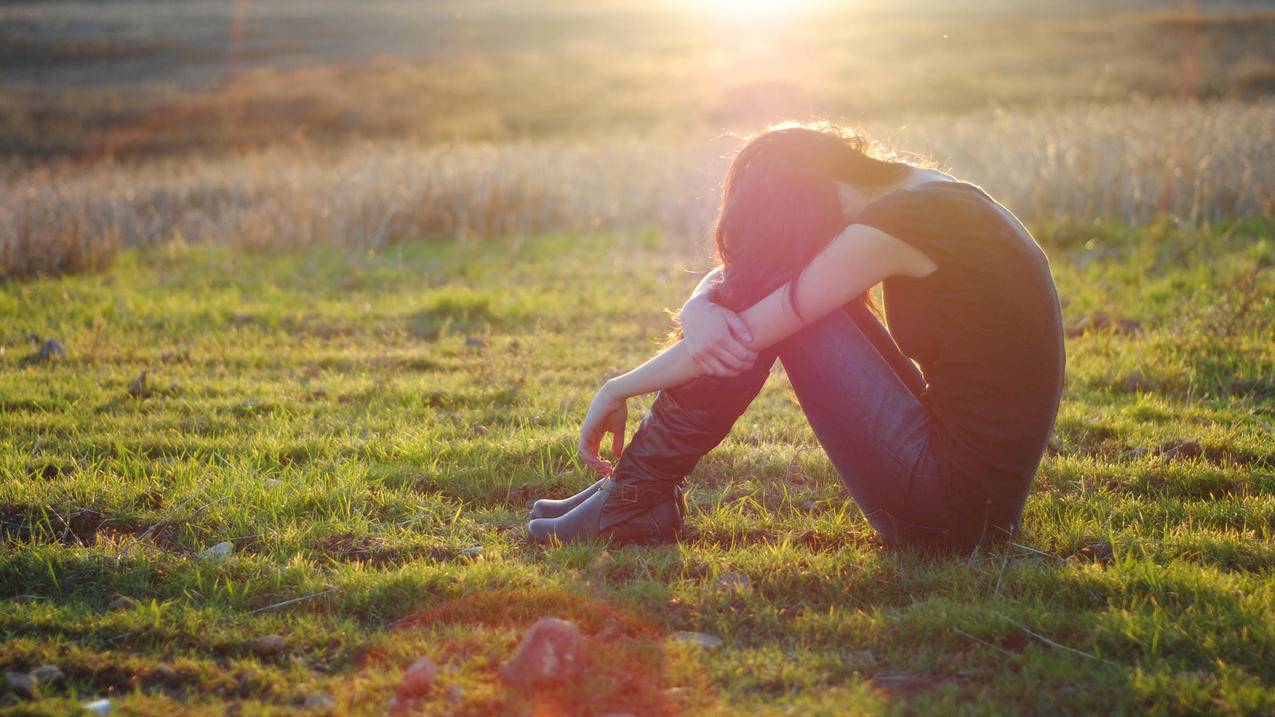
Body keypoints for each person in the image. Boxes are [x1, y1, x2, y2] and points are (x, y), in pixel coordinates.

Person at [526, 123, 1065, 553]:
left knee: (778, 319)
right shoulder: (925, 195)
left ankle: (633, 498)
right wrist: (698, 305)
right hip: (981, 502)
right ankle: (632, 492)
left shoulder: (894, 227)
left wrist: (617, 388)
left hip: (950, 513)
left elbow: (754, 324)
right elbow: (758, 281)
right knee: (778, 304)